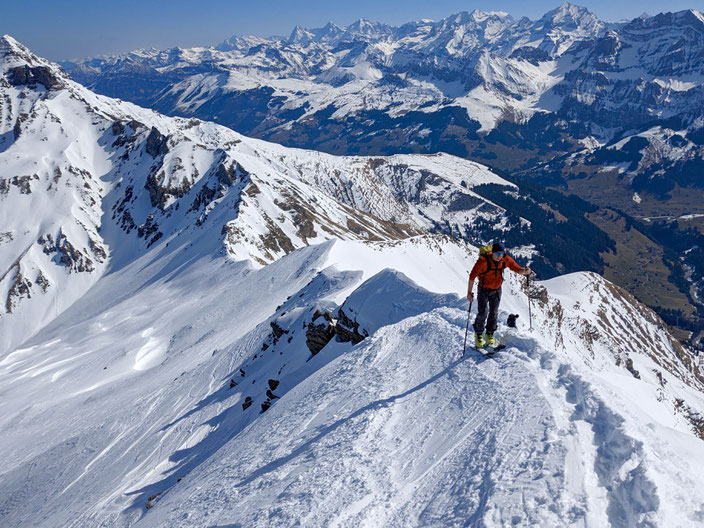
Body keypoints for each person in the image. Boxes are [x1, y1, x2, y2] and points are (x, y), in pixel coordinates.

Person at [466, 243, 531, 348]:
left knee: (494, 312)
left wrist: (525, 271)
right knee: (483, 312)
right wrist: (469, 293)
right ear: (492, 252)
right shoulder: (483, 261)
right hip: (483, 289)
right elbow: (472, 276)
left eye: (501, 254)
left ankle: (489, 335)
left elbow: (517, 269)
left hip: (496, 290)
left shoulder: (505, 259)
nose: (499, 256)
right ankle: (478, 335)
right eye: (496, 253)